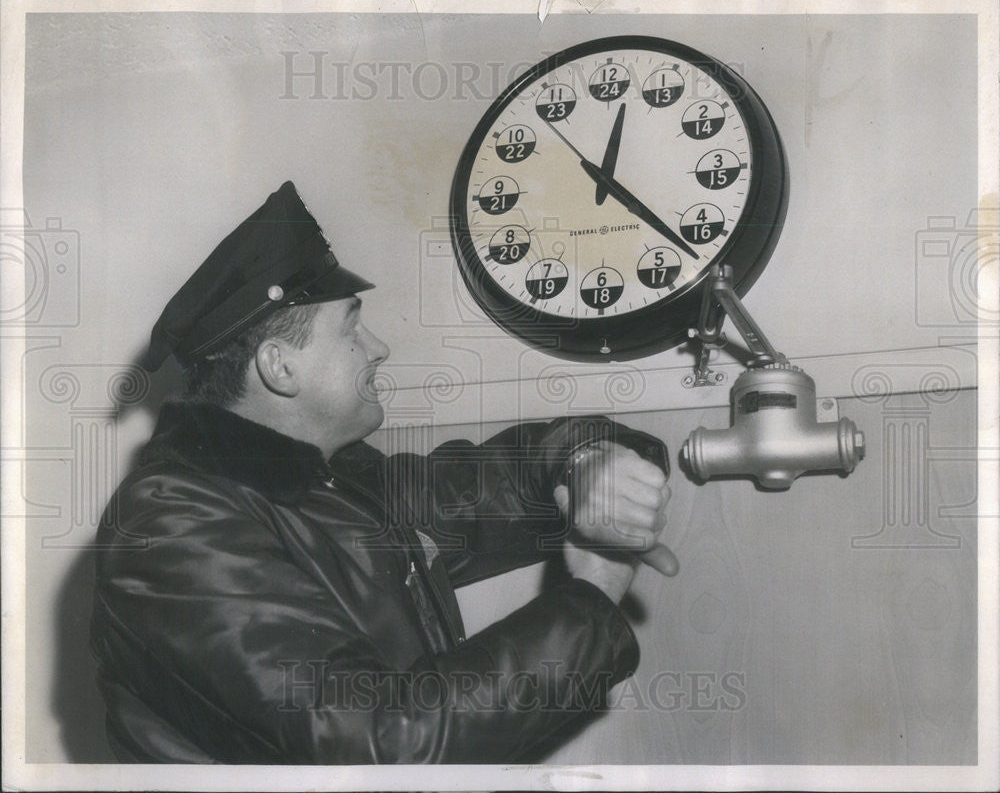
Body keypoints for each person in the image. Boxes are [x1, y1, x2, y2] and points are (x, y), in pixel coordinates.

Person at [90, 181, 675, 763]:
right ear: (280, 366)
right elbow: (381, 742)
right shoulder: (168, 527)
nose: (379, 347)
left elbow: (501, 481)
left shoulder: (336, 478)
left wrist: (591, 462)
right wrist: (594, 596)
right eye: (351, 326)